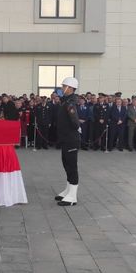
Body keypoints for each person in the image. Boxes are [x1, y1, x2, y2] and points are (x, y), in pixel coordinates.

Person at [54, 77, 81, 207]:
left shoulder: (70, 103)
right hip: (66, 139)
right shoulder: (66, 101)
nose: (61, 88)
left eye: (63, 86)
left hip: (71, 139)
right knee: (66, 165)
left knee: (71, 166)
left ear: (70, 88)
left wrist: (73, 129)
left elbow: (75, 122)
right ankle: (68, 190)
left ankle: (72, 196)